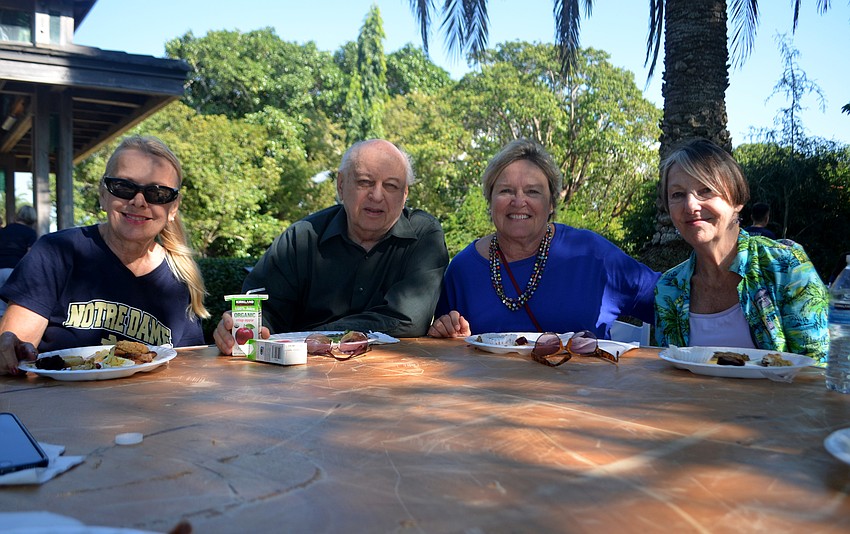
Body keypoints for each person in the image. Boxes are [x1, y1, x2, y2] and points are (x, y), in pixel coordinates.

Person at [213, 138, 449, 355]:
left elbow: (408, 320)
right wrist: (243, 326)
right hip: (303, 381)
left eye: (391, 186)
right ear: (341, 185)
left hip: (392, 379)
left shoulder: (424, 237)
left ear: (405, 194)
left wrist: (316, 336)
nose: (377, 195)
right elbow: (266, 308)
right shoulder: (301, 238)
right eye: (365, 182)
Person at [0, 135, 209, 375]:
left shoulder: (181, 276)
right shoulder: (55, 253)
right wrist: (7, 349)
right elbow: (14, 361)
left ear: (173, 207)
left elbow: (186, 372)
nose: (139, 201)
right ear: (103, 194)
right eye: (123, 187)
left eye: (158, 193)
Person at [428, 139, 659, 339]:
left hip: (585, 389)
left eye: (533, 192)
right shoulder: (462, 270)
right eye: (506, 191)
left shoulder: (592, 255)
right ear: (490, 201)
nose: (519, 201)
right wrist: (449, 334)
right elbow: (445, 346)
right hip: (490, 390)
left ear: (550, 204)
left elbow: (671, 300)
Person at [654, 138, 828, 363]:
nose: (690, 205)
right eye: (677, 194)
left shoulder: (786, 267)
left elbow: (818, 370)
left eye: (705, 190)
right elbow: (670, 374)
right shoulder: (669, 289)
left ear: (737, 200)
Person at [0, 205, 38, 316]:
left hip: (0, 268)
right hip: (15, 271)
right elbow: (31, 255)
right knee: (13, 309)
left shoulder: (5, 230)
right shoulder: (30, 233)